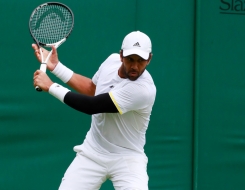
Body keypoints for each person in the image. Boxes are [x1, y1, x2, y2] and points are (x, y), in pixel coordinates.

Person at [32, 31, 156, 190]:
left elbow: (93, 105)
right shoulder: (111, 62)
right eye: (130, 59)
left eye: (141, 61)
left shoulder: (143, 90)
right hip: (93, 151)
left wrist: (51, 86)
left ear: (149, 59)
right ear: (121, 56)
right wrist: (56, 67)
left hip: (127, 158)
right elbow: (92, 89)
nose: (134, 66)